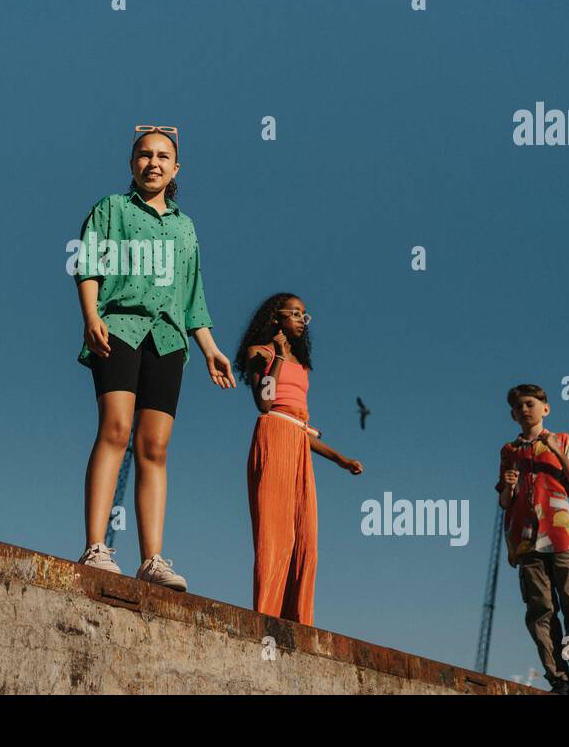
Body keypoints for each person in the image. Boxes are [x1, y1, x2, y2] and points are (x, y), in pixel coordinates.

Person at [71, 125, 235, 591]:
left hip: (169, 340)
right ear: (132, 163)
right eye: (145, 155)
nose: (153, 163)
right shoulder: (111, 209)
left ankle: (153, 559)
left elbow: (192, 297)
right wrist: (89, 315)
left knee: (155, 448)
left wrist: (210, 350)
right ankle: (96, 546)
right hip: (118, 327)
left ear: (176, 168)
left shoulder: (185, 227)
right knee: (116, 430)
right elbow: (89, 265)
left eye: (163, 156)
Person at [233, 293, 363, 625]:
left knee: (305, 541)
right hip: (273, 437)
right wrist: (275, 355)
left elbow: (300, 427)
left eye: (306, 315)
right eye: (296, 313)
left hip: (298, 447)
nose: (303, 320)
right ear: (276, 317)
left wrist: (339, 459)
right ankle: (265, 616)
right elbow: (264, 403)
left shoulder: (304, 369)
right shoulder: (259, 353)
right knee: (275, 535)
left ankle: (297, 619)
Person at [495, 383, 569, 694]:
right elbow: (504, 503)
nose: (525, 410)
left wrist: (553, 449)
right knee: (540, 611)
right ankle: (558, 677)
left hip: (561, 535)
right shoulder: (509, 451)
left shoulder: (562, 440)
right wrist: (509, 486)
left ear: (545, 408)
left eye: (530, 404)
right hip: (526, 540)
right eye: (519, 407)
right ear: (513, 415)